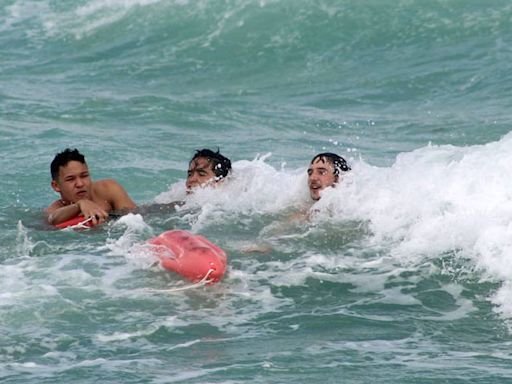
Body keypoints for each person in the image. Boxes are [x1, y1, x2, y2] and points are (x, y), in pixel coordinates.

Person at [46, 148, 137, 226]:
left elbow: (136, 219)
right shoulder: (56, 209)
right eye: (71, 179)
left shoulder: (108, 189)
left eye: (84, 176)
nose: (80, 184)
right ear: (56, 186)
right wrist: (79, 205)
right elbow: (52, 219)